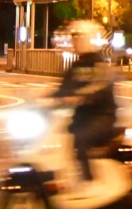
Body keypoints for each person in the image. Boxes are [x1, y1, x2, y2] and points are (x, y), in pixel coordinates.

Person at [53, 20, 119, 182]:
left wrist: (81, 98)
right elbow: (63, 88)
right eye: (73, 38)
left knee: (80, 139)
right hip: (81, 117)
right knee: (57, 137)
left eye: (77, 38)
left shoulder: (100, 64)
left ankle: (90, 181)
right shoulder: (76, 66)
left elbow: (100, 88)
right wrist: (42, 99)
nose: (74, 42)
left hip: (101, 117)